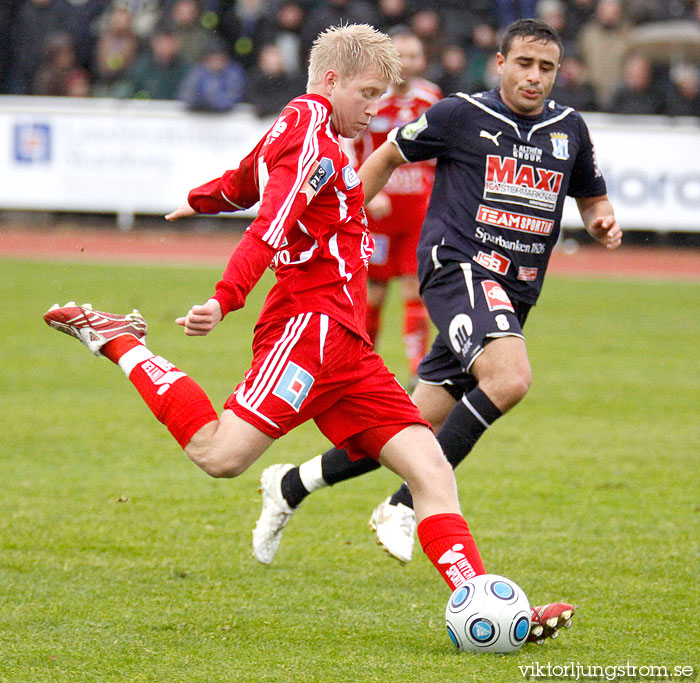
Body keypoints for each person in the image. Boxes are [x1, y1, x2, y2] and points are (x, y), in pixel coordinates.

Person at [43, 23, 498, 624]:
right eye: (367, 94)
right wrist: (225, 297)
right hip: (307, 331)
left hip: (347, 346)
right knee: (220, 455)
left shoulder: (305, 130)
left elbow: (245, 178)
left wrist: (203, 199)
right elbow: (270, 222)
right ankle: (119, 340)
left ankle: (482, 599)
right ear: (331, 81)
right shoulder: (310, 137)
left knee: (431, 468)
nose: (374, 109)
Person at [252, 19, 620, 638]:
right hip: (460, 271)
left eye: (546, 68)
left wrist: (603, 220)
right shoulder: (457, 115)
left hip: (516, 290)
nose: (533, 77)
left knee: (412, 423)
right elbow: (389, 153)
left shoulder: (568, 130)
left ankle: (292, 482)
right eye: (523, 63)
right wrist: (344, 221)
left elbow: (591, 196)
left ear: (558, 74)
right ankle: (401, 505)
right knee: (510, 378)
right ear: (498, 62)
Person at [349, 26, 441, 383]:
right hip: (378, 215)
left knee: (415, 287)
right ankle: (361, 366)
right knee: (372, 294)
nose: (406, 63)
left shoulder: (432, 99)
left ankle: (418, 368)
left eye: (413, 56)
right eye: (399, 56)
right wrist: (372, 190)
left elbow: (441, 152)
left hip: (417, 212)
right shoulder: (372, 99)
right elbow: (350, 148)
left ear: (422, 61)